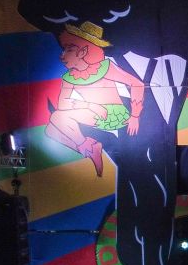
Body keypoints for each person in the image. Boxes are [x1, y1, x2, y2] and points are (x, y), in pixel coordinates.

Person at [45, 21, 145, 177]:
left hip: (113, 114)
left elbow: (137, 84)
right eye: (63, 49)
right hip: (92, 113)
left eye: (69, 49)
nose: (62, 56)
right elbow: (62, 106)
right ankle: (89, 148)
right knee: (50, 130)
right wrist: (89, 106)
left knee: (57, 117)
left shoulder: (105, 68)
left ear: (83, 51)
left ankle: (89, 147)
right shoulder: (69, 78)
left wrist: (135, 116)